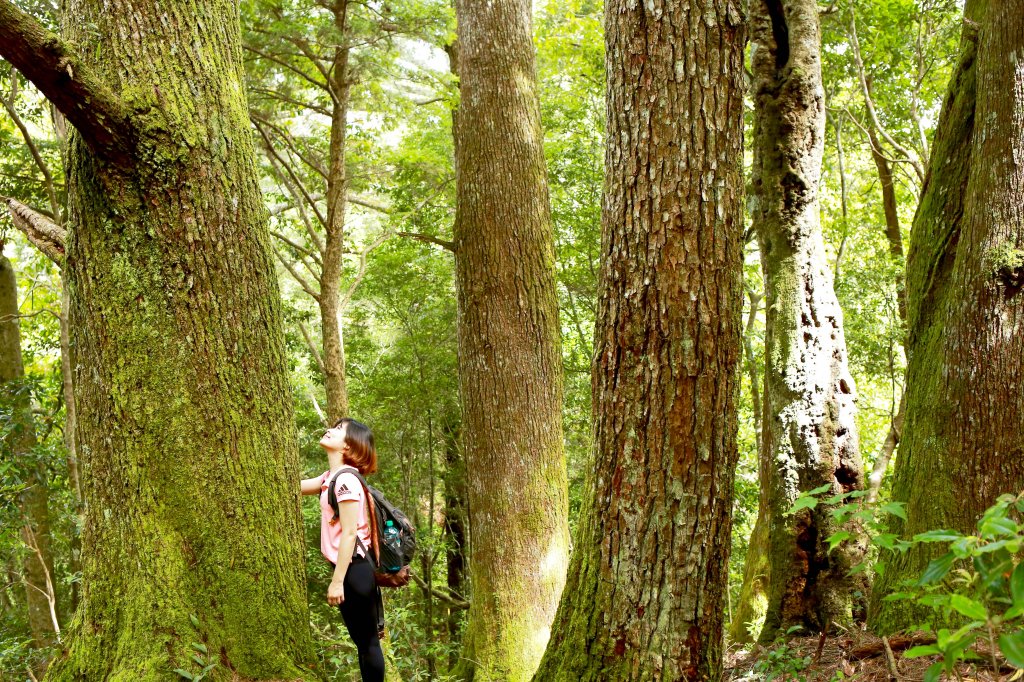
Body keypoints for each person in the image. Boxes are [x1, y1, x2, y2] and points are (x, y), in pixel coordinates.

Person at [301, 417, 384, 682]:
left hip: (355, 570)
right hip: (348, 570)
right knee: (361, 641)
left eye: (338, 430)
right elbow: (296, 486)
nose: (329, 430)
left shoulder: (347, 481)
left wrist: (337, 582)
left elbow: (350, 533)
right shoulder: (330, 478)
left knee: (368, 642)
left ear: (348, 446)